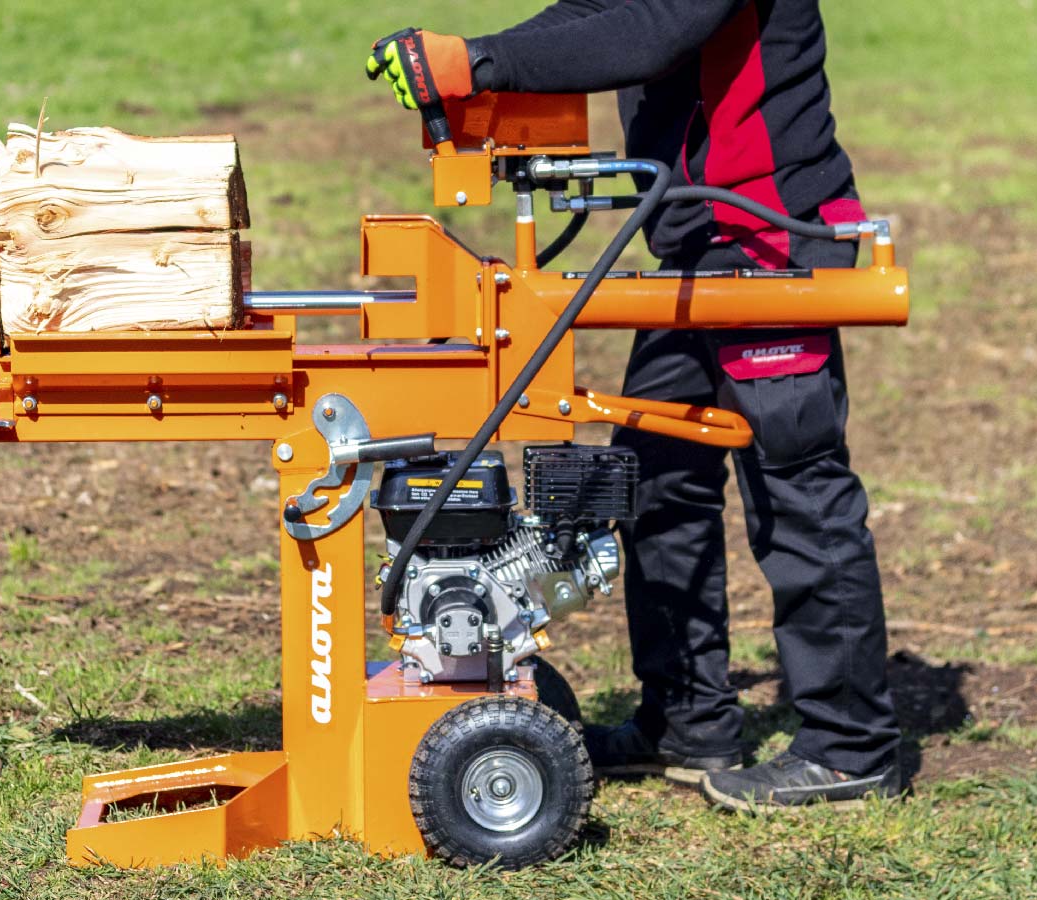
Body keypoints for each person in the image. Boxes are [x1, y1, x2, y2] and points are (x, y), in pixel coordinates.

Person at [367, 1, 902, 811]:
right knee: (656, 483)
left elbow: (653, 25)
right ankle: (689, 721)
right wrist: (480, 60)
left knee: (799, 494)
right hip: (694, 249)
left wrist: (477, 61)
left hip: (768, 240)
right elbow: (597, 11)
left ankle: (850, 747)